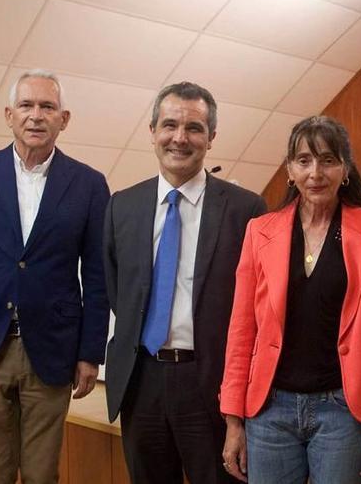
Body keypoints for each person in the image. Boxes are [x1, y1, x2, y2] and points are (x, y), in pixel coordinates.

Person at [0, 69, 110, 483]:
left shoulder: (89, 184)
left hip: (52, 348)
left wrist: (90, 353)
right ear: (8, 114)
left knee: (41, 473)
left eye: (47, 107)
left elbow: (100, 276)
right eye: (27, 106)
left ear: (63, 119)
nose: (36, 115)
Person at [220, 116, 361, 483]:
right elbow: (242, 330)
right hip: (269, 410)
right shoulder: (260, 232)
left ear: (346, 169)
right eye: (304, 160)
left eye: (328, 160)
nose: (315, 172)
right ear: (290, 169)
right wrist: (232, 419)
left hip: (343, 409)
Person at [103, 82, 266, 484]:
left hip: (210, 385)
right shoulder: (122, 204)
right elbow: (115, 287)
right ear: (152, 131)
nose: (180, 137)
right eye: (169, 124)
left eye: (194, 127)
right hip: (141, 382)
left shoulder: (245, 209)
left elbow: (259, 308)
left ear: (211, 138)